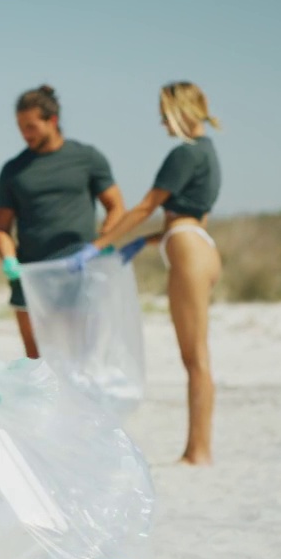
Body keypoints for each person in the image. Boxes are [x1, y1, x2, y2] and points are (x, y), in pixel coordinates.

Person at [93, 82, 222, 465]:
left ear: (180, 111)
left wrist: (100, 245)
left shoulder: (184, 154)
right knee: (197, 357)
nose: (161, 122)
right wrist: (136, 245)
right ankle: (197, 448)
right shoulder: (209, 154)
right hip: (196, 244)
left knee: (195, 359)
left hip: (185, 247)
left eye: (164, 114)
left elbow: (146, 206)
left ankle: (199, 451)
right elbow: (188, 218)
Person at [0, 85, 126, 358]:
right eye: (20, 126)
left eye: (31, 126)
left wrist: (99, 246)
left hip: (76, 271)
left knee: (74, 354)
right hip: (28, 275)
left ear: (52, 121)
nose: (24, 134)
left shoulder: (87, 158)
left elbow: (116, 208)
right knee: (36, 360)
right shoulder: (13, 170)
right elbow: (1, 229)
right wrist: (8, 259)